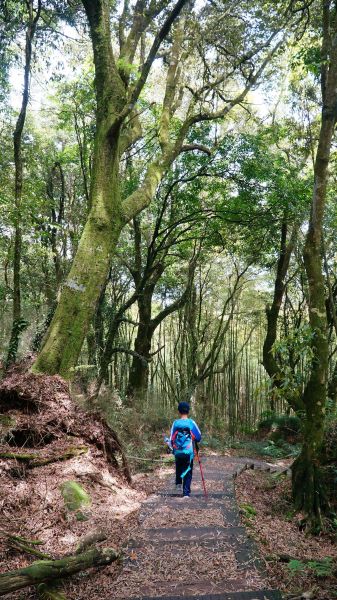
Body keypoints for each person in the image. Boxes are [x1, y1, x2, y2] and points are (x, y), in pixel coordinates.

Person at [170, 401, 201, 498]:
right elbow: (199, 437)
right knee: (188, 469)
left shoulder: (175, 423)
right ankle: (186, 492)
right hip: (189, 451)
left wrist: (173, 448)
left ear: (179, 411)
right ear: (188, 411)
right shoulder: (191, 422)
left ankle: (178, 484)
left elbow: (171, 438)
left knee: (179, 467)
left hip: (178, 451)